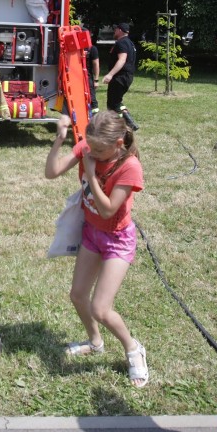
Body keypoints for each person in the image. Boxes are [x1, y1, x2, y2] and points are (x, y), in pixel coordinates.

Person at [44, 111, 147, 387]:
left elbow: (107, 209)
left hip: (117, 238)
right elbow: (51, 172)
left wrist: (90, 173)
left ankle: (133, 348)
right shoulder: (89, 147)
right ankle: (95, 342)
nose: (94, 153)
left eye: (100, 150)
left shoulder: (129, 166)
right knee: (78, 295)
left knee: (101, 309)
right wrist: (60, 138)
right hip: (91, 233)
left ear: (119, 143)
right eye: (91, 147)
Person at [102, 22, 139, 130]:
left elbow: (122, 60)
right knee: (117, 102)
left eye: (116, 29)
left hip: (120, 77)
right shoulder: (130, 43)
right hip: (127, 77)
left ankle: (121, 126)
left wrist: (110, 74)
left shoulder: (121, 43)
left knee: (112, 104)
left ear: (120, 30)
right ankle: (129, 123)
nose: (114, 31)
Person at [85, 36, 100, 113]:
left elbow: (96, 64)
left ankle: (95, 118)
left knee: (92, 98)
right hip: (76, 77)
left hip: (88, 77)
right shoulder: (75, 48)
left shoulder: (92, 49)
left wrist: (96, 80)